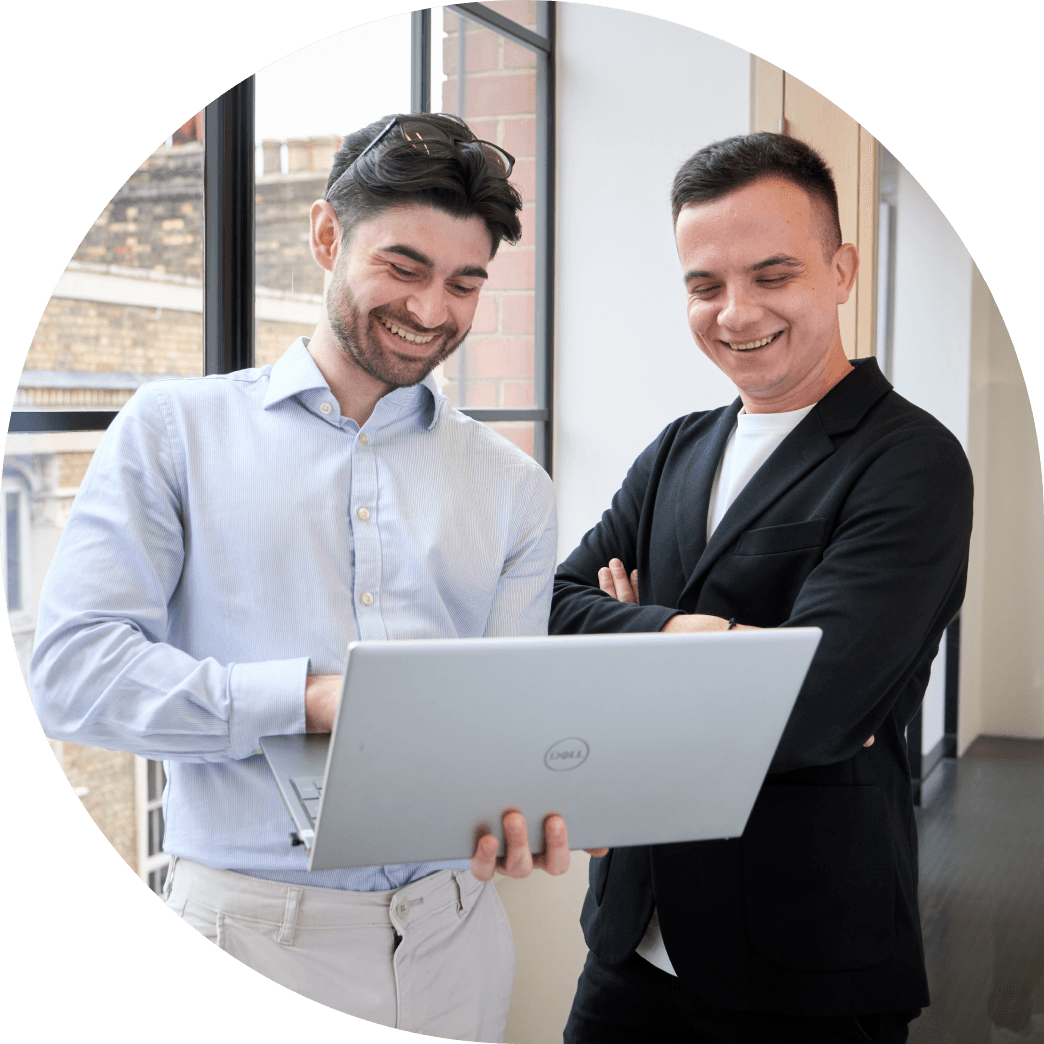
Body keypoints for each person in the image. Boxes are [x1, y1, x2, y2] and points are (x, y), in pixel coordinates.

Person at [30, 112, 572, 1042]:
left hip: (456, 942)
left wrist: (539, 800)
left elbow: (505, 722)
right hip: (247, 937)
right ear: (326, 235)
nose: (433, 312)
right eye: (403, 268)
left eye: (464, 284)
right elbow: (74, 678)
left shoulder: (515, 488)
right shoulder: (173, 431)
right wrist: (308, 698)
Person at [551, 133, 973, 1044]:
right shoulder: (676, 448)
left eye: (772, 275)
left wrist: (624, 627)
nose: (735, 312)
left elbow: (814, 705)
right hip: (632, 940)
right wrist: (685, 637)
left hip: (803, 952)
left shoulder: (911, 462)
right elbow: (549, 608)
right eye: (704, 286)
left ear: (841, 269)